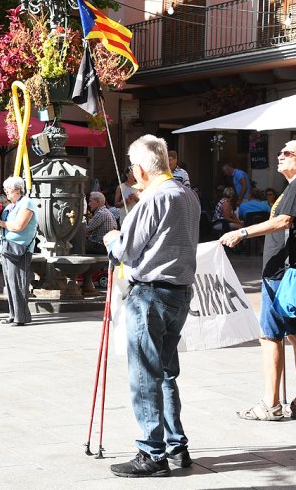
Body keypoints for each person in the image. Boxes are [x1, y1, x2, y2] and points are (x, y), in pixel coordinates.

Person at [103, 134, 200, 478]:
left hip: (151, 294)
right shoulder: (187, 194)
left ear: (141, 170)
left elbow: (126, 252)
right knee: (166, 371)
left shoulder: (153, 199)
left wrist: (112, 239)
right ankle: (176, 446)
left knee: (145, 372)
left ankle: (151, 452)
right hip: (179, 292)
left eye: (132, 167)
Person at [220, 140, 296, 422]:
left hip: (281, 274)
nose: (279, 156)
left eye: (287, 153)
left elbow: (283, 221)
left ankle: (270, 404)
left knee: (270, 337)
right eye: (280, 152)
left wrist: (242, 233)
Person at [0, 176, 37, 326]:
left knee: (18, 282)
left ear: (17, 189)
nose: (6, 192)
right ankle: (13, 314)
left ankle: (21, 317)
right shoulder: (10, 207)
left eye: (8, 190)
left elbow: (18, 226)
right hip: (8, 246)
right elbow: (1, 227)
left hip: (20, 248)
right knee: (9, 283)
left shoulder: (27, 203)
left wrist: (0, 222)